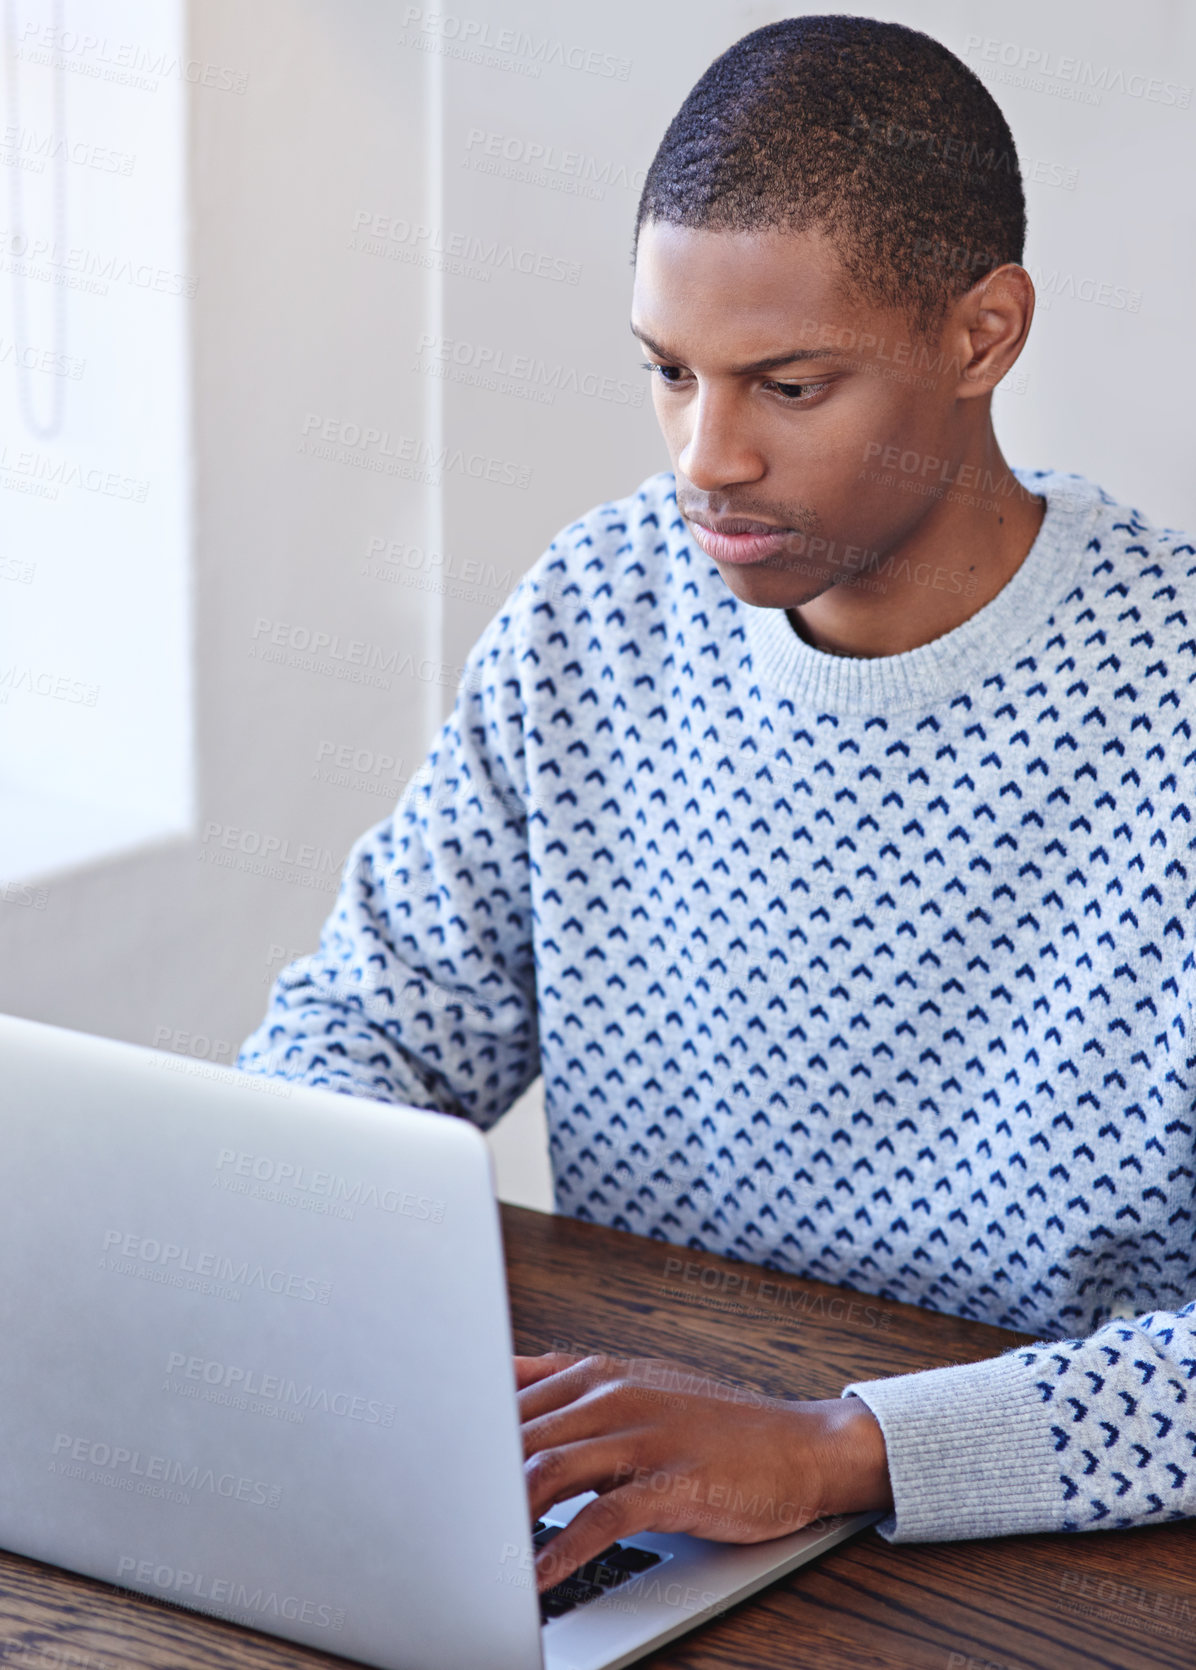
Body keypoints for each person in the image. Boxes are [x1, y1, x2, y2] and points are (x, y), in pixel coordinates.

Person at [238, 15, 1196, 1592]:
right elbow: (358, 1033)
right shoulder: (598, 609)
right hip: (632, 1501)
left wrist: (840, 1444)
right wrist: (331, 1302)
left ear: (984, 335)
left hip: (1048, 1568)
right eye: (668, 373)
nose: (708, 456)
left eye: (788, 384)